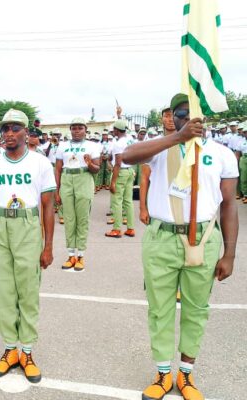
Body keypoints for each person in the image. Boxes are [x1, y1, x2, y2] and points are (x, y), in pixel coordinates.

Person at [123, 94, 238, 400]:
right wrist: (176, 138)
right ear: (172, 118)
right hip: (162, 238)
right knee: (159, 309)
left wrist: (229, 253)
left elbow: (229, 206)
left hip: (203, 238)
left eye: (191, 113)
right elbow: (127, 156)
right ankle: (162, 374)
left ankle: (186, 375)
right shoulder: (161, 149)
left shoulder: (222, 153)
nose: (186, 118)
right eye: (179, 114)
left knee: (196, 310)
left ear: (205, 118)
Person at [0, 109, 55, 383]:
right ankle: (10, 349)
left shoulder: (40, 163)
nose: (9, 134)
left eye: (15, 128)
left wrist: (48, 246)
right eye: (5, 129)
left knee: (27, 289)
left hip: (27, 224)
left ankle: (27, 351)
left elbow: (48, 206)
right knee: (2, 290)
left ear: (26, 132)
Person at [54, 118, 100, 272]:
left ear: (85, 130)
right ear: (70, 130)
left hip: (83, 178)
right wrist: (57, 190)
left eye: (80, 128)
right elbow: (58, 169)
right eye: (74, 128)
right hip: (67, 179)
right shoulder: (62, 146)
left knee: (82, 219)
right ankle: (70, 254)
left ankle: (80, 255)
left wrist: (89, 163)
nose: (77, 130)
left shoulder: (92, 146)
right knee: (69, 219)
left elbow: (97, 169)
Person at [105, 119, 136, 238]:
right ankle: (130, 228)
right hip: (130, 171)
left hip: (121, 172)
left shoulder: (119, 144)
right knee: (128, 201)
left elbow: (117, 163)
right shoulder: (130, 140)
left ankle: (117, 229)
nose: (113, 132)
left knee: (116, 201)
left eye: (114, 130)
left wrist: (113, 182)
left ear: (117, 131)